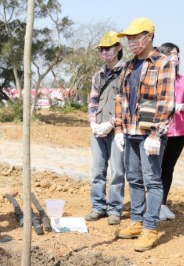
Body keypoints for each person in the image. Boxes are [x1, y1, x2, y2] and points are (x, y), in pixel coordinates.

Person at [114, 18, 175, 251]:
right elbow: (120, 97)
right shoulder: (128, 65)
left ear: (149, 36)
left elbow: (166, 101)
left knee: (152, 180)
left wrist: (156, 134)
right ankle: (136, 223)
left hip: (150, 134)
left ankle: (150, 228)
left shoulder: (163, 63)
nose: (131, 42)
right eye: (128, 38)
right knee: (134, 178)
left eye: (135, 37)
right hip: (129, 131)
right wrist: (119, 129)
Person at [85, 31, 125, 225]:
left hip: (117, 130)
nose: (104, 52)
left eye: (108, 48)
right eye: (101, 49)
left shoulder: (127, 72)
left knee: (117, 170)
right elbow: (93, 101)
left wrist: (111, 124)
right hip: (98, 129)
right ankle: (97, 206)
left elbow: (127, 102)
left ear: (118, 48)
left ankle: (115, 209)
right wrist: (93, 122)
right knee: (97, 170)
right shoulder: (98, 75)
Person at [158, 43, 184, 220]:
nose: (175, 57)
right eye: (171, 54)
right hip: (162, 129)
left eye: (177, 54)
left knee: (169, 168)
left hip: (181, 130)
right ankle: (153, 205)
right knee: (156, 168)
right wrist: (174, 107)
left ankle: (163, 204)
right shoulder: (158, 78)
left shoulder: (182, 80)